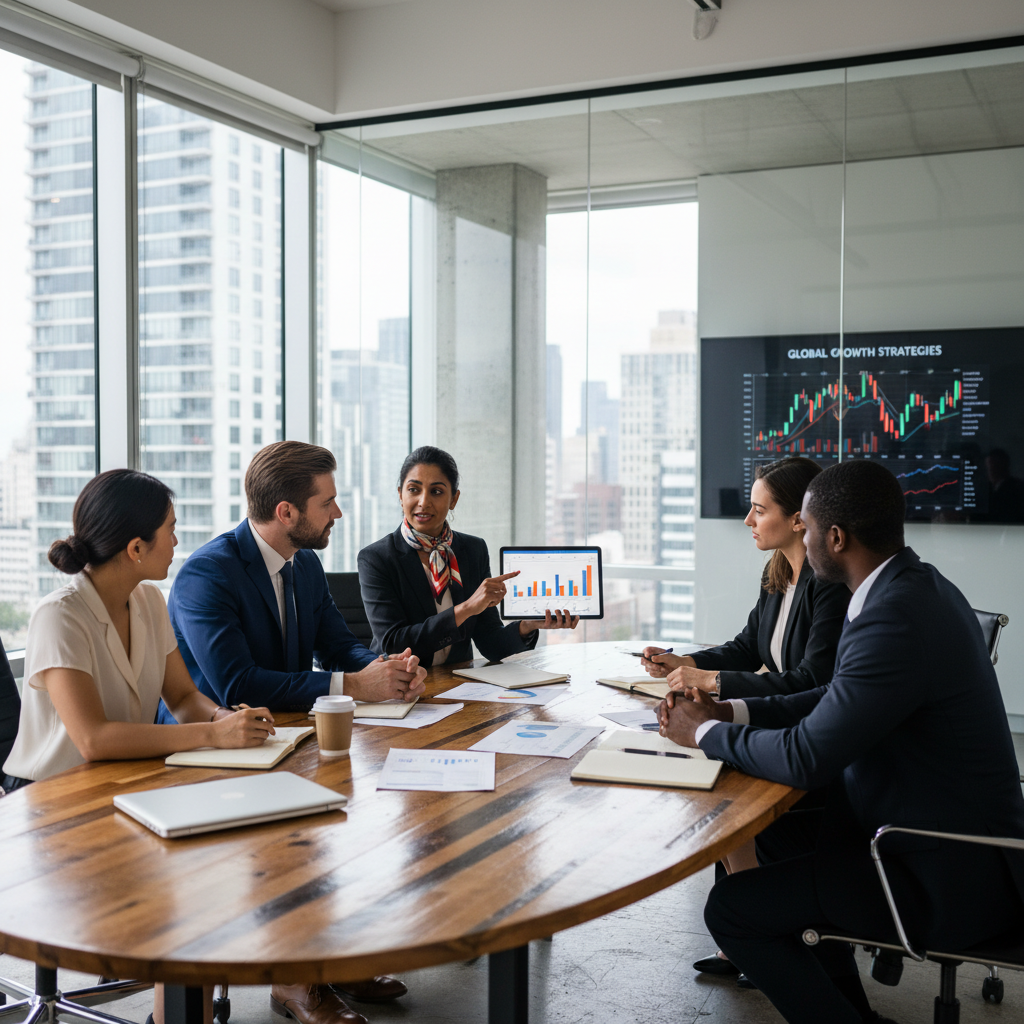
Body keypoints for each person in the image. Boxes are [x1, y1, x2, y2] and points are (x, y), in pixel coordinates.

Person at [657, 460, 1024, 1024]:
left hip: (944, 870)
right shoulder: (904, 587)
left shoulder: (893, 617)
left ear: (834, 537)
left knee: (733, 910)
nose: (799, 535)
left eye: (805, 525)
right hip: (916, 830)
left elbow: (807, 755)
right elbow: (833, 699)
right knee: (775, 833)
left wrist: (704, 732)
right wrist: (728, 709)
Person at [0, 468, 275, 1024]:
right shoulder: (59, 616)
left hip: (127, 782)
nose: (178, 540)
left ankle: (173, 1014)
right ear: (135, 546)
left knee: (221, 858)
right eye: (171, 529)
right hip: (54, 802)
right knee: (191, 888)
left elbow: (182, 696)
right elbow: (93, 740)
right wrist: (209, 735)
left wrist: (229, 721)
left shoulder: (149, 600)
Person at [168, 440, 420, 1024]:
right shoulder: (207, 573)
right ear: (287, 513)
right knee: (302, 827)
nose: (337, 514)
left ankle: (331, 954)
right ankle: (296, 980)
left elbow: (339, 645)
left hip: (284, 737)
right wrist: (356, 687)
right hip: (209, 749)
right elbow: (236, 684)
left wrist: (385, 671)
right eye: (327, 502)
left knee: (351, 811)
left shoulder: (303, 564)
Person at [641, 457, 850, 702]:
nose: (748, 519)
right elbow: (748, 648)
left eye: (759, 511)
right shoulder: (777, 571)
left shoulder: (830, 583)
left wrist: (712, 680)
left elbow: (812, 679)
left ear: (797, 520)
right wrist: (685, 663)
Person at [358, 446, 579, 668]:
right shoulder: (376, 558)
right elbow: (393, 644)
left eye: (436, 492)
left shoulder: (473, 550)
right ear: (400, 495)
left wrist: (528, 626)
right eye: (414, 490)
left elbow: (492, 645)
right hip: (400, 686)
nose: (423, 502)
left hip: (457, 684)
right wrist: (467, 608)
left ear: (454, 499)